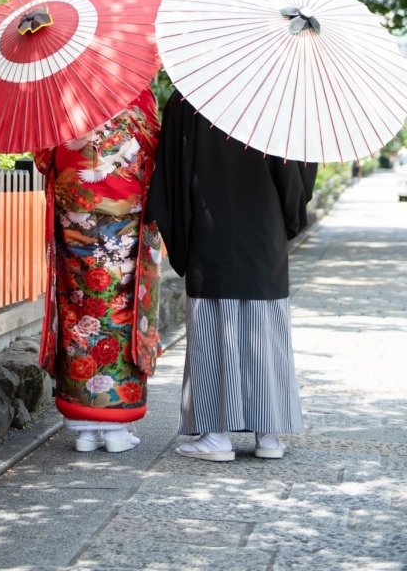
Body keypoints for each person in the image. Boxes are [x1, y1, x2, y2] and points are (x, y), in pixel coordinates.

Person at [146, 89, 317, 462]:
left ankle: (215, 436)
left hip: (211, 229)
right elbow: (298, 172)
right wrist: (287, 219)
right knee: (265, 328)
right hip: (264, 230)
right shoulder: (279, 96)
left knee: (213, 329)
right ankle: (268, 436)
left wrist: (182, 234)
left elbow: (170, 174)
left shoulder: (189, 97)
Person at [34, 88, 162, 453]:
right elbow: (155, 148)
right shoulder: (135, 93)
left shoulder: (61, 95)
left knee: (77, 313)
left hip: (74, 223)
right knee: (121, 315)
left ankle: (84, 431)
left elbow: (43, 158)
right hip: (124, 227)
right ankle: (116, 429)